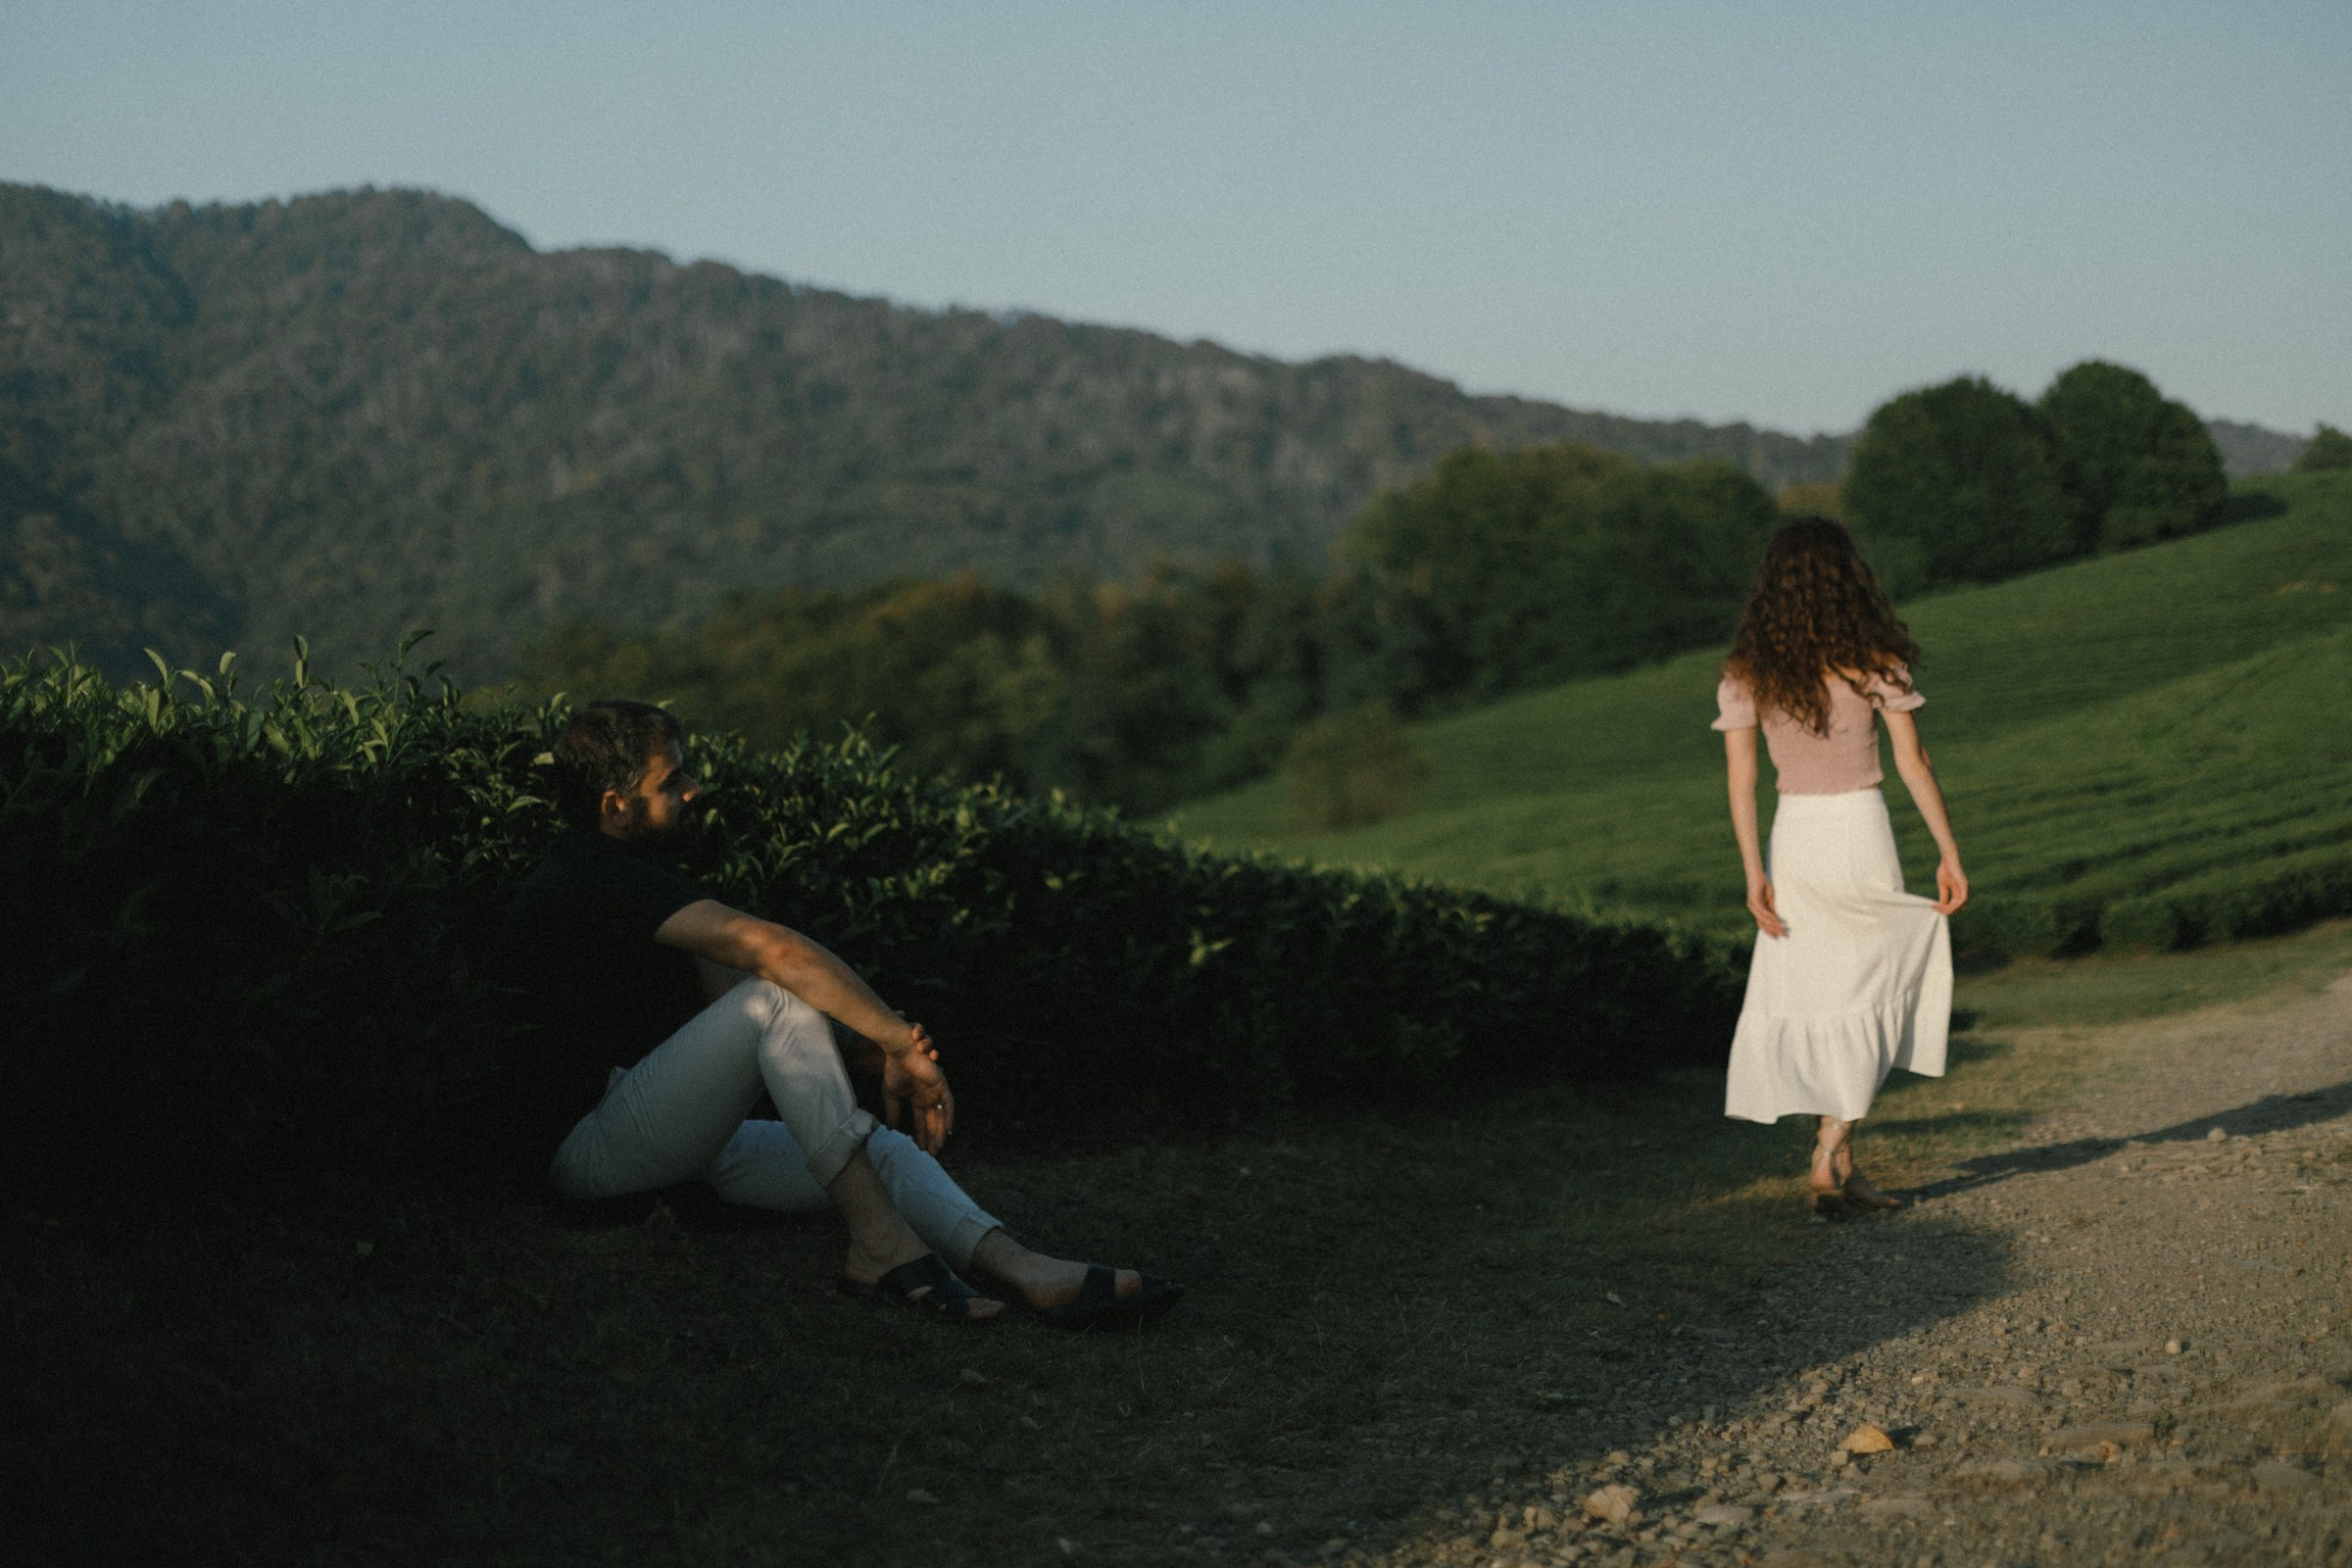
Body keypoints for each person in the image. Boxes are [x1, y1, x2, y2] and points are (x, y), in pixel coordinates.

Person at [499, 699, 1182, 1326]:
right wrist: (898, 1040)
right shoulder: (583, 874)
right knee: (773, 999)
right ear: (615, 805)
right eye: (671, 780)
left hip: (673, 1139)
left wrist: (873, 1054)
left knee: (877, 1146)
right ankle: (880, 1247)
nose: (693, 790)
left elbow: (721, 995)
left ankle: (1030, 1271)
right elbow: (771, 955)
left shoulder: (636, 881)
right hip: (589, 1151)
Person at [1711, 518, 1969, 1216]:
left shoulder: (1747, 674)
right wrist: (1948, 849)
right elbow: (1914, 763)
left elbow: (1742, 782)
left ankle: (1841, 1158)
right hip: (1860, 828)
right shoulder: (1874, 660)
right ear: (1847, 578)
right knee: (1885, 977)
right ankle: (1832, 1142)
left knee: (1824, 990)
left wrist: (1751, 871)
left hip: (1793, 842)